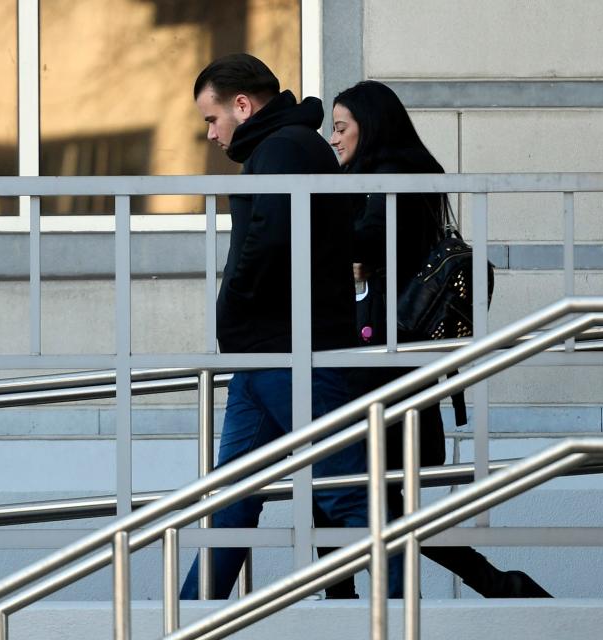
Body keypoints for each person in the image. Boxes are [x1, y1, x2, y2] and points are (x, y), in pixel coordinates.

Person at [320, 79, 551, 598]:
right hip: (395, 359)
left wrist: (318, 216)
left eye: (340, 127)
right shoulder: (392, 176)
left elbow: (365, 241)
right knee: (361, 495)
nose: (332, 139)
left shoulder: (392, 177)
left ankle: (353, 605)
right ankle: (497, 584)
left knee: (346, 493)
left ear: (369, 127)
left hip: (388, 361)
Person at [180, 53, 376, 600]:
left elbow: (268, 241)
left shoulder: (284, 149)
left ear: (242, 105)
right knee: (233, 497)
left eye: (211, 119)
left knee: (342, 489)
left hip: (289, 349)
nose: (211, 134)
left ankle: (402, 607)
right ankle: (191, 616)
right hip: (266, 351)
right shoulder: (283, 147)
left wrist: (233, 305)